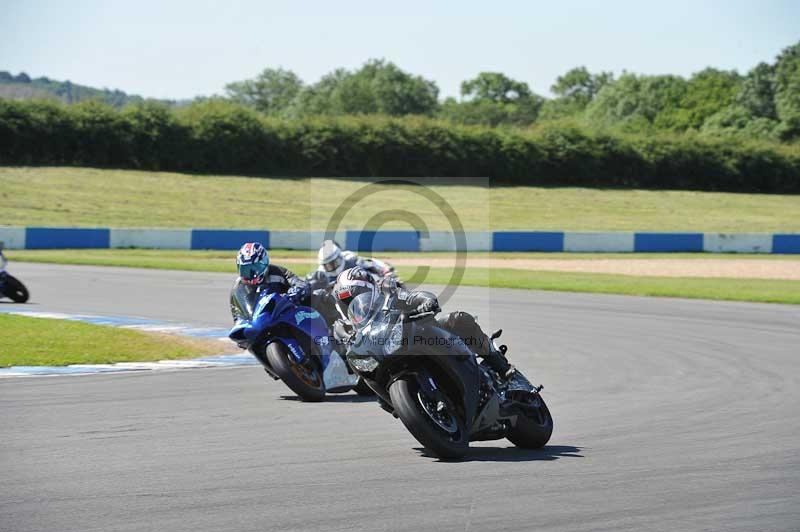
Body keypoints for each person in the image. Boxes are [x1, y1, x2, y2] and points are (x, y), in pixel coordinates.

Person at [331, 267, 534, 392]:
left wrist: (425, 302)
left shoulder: (388, 293)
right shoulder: (350, 326)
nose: (354, 304)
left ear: (369, 289)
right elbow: (343, 344)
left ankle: (506, 372)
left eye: (356, 296)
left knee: (459, 319)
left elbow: (412, 297)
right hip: (391, 354)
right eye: (347, 302)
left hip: (424, 334)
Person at [229, 242, 306, 323]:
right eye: (245, 269)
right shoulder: (238, 287)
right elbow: (236, 315)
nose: (250, 274)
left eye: (254, 268)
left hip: (284, 318)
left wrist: (295, 290)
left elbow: (300, 283)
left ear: (263, 263)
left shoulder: (278, 272)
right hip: (256, 323)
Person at [316, 240, 395, 285]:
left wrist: (384, 271)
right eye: (328, 265)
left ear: (339, 256)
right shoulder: (320, 272)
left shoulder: (350, 258)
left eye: (334, 263)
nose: (332, 267)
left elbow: (368, 263)